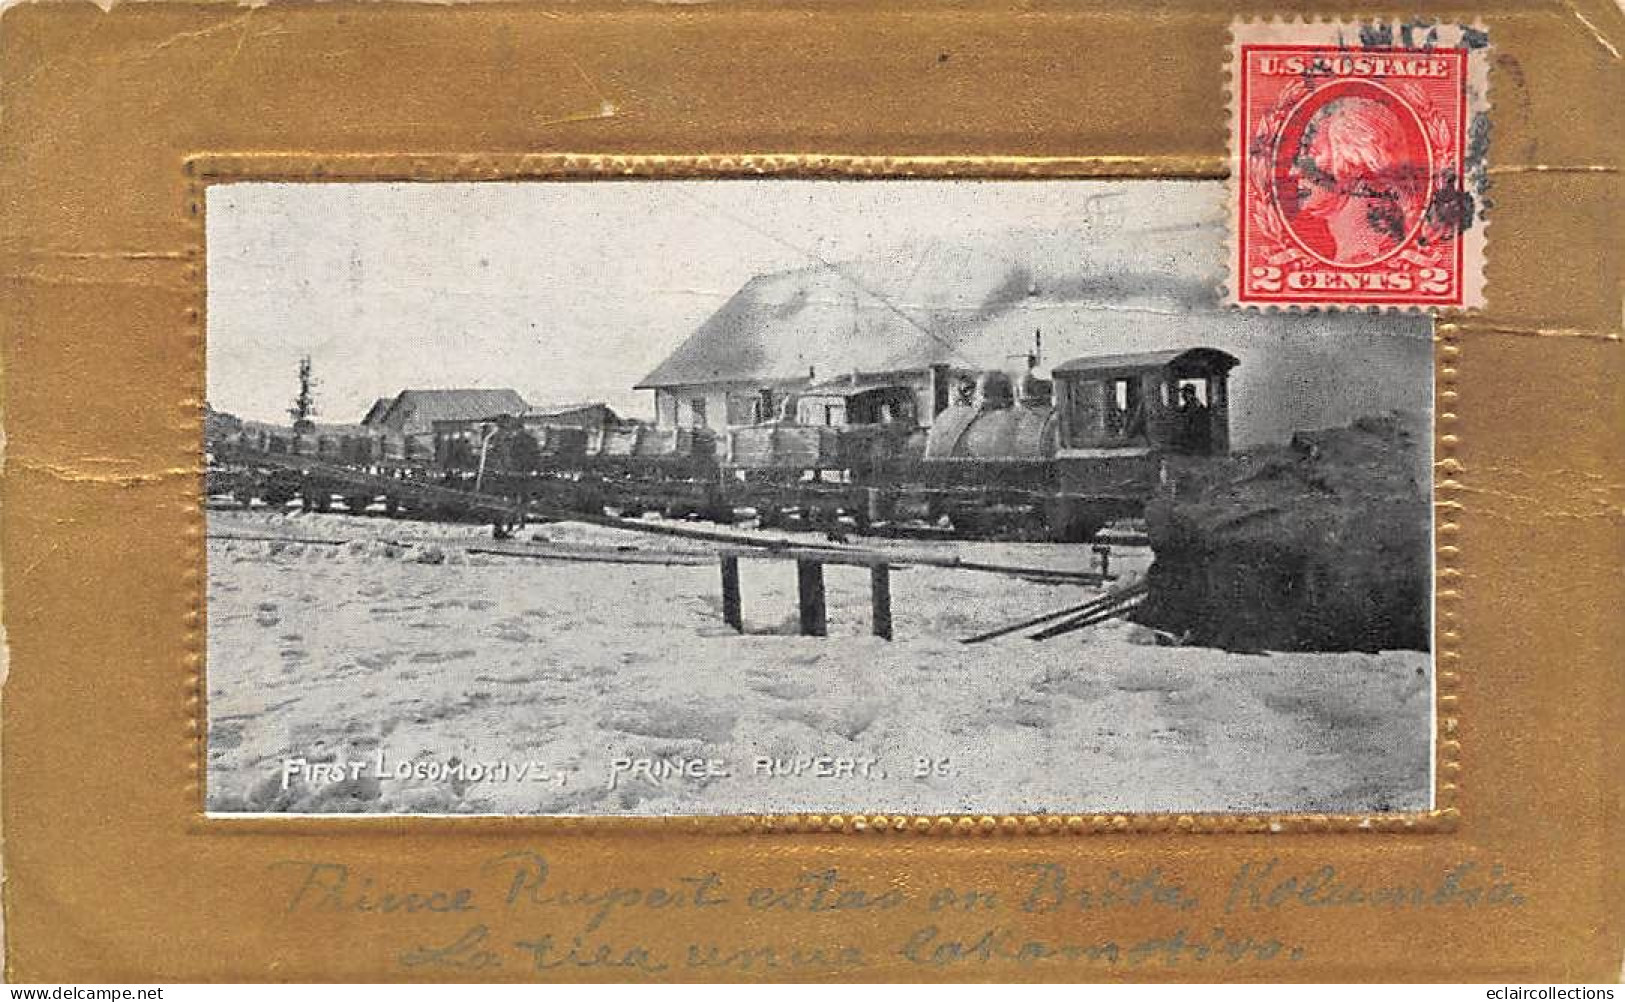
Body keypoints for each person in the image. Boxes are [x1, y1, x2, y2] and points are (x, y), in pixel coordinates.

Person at [1176, 384, 1211, 455]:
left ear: (1189, 393)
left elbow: (1192, 417)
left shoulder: (1195, 403)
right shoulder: (1188, 404)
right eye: (1182, 393)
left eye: (1184, 393)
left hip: (1195, 431)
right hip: (1191, 430)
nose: (1182, 396)